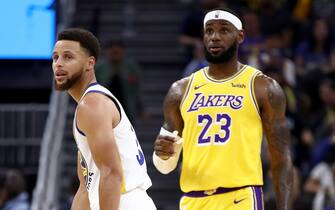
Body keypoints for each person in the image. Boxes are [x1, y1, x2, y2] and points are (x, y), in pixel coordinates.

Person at [153, 8, 294, 210]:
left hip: (241, 198)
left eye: (224, 31)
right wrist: (163, 154)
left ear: (240, 36)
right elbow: (164, 166)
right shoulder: (180, 90)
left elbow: (281, 156)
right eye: (209, 31)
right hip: (193, 199)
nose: (215, 37)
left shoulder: (262, 87)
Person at [52, 28, 156, 210]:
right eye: (55, 57)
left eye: (68, 57)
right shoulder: (89, 105)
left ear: (90, 63)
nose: (58, 64)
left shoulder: (92, 104)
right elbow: (85, 187)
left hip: (124, 202)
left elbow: (111, 173)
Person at [95, 40, 146, 123]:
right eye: (113, 52)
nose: (116, 55)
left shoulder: (130, 68)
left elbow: (137, 90)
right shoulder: (99, 68)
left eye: (118, 52)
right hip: (104, 108)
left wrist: (141, 109)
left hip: (126, 108)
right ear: (108, 52)